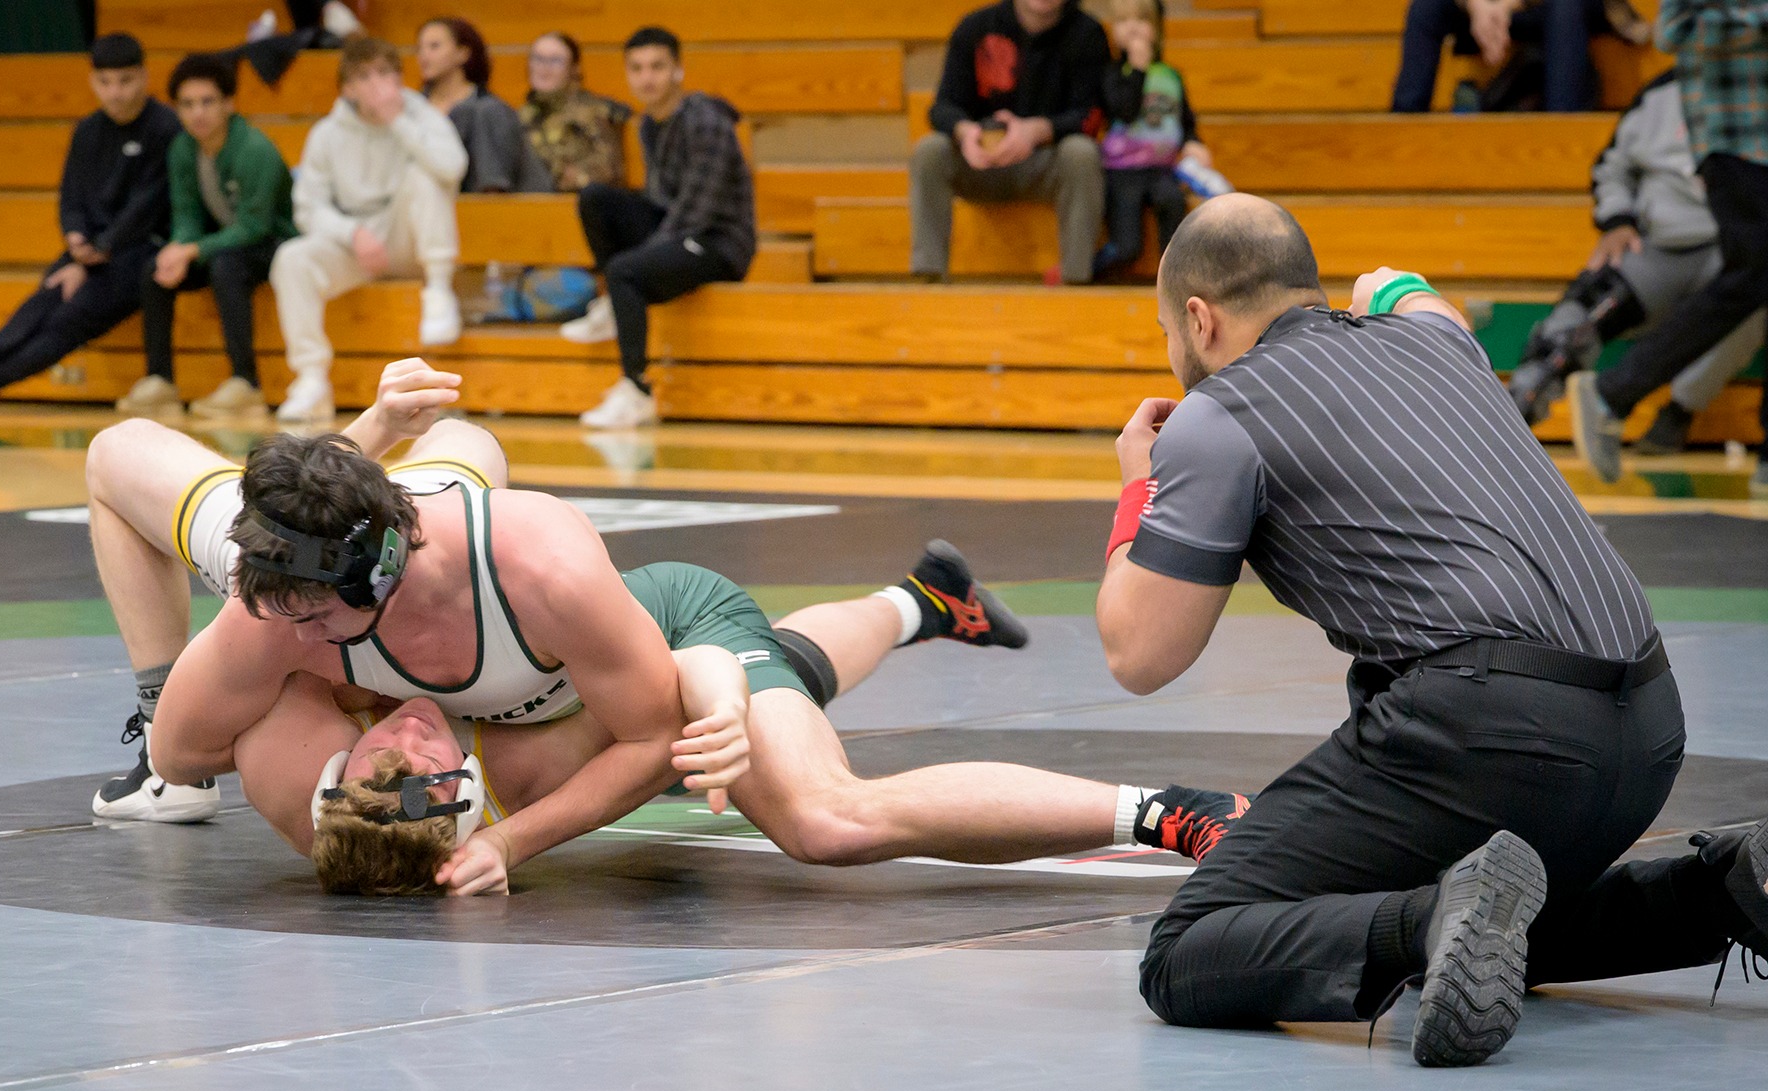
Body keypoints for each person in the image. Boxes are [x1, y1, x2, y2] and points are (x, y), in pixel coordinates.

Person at [79, 358, 1243, 893]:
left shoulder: (534, 558)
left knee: (818, 815)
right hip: (534, 669)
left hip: (662, 630)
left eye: (301, 612)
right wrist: (368, 433)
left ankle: (1169, 812)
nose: (276, 623)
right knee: (695, 706)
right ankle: (921, 600)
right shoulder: (282, 607)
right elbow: (185, 744)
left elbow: (666, 712)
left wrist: (513, 844)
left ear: (373, 576)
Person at [1094, 192, 1766, 1068]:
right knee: (1502, 923)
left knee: (1187, 950)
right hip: (1648, 723)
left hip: (1492, 730)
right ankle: (1725, 888)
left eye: (1167, 334)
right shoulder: (1437, 339)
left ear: (1198, 318)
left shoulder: (1221, 414)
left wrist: (1140, 487)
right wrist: (1388, 289)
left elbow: (1140, 652)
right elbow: (1405, 289)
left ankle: (1430, 918)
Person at [0, 34, 178, 417]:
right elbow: (71, 197)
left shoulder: (165, 128)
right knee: (44, 299)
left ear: (145, 77)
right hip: (88, 250)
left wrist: (96, 252)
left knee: (68, 317)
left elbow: (148, 204)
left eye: (125, 81)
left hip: (139, 254)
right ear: (92, 82)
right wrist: (76, 239)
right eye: (105, 82)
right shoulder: (87, 130)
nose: (115, 93)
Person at [1507, 70, 1764, 454]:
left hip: (1736, 246)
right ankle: (1514, 410)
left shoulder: (1753, 87)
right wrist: (1617, 220)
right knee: (1590, 305)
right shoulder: (1660, 92)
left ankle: (1678, 412)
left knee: (1754, 295)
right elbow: (1610, 167)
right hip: (1659, 240)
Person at [1570, 1, 1768, 492]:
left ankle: (1616, 393)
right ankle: (1614, 392)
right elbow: (1673, 29)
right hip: (1739, 142)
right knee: (1752, 278)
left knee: (1757, 280)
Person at [559, 27, 756, 430]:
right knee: (595, 198)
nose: (646, 78)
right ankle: (615, 307)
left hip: (718, 243)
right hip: (678, 230)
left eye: (657, 67)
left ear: (678, 70)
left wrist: (638, 261)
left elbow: (698, 211)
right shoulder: (649, 124)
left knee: (625, 271)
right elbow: (661, 203)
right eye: (637, 68)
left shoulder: (706, 122)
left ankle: (636, 390)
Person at [266, 36, 466, 427]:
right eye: (364, 76)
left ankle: (439, 290)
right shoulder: (327, 133)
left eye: (385, 73)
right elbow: (308, 208)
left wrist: (397, 121)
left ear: (399, 80)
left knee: (425, 177)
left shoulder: (420, 114)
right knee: (291, 258)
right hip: (358, 243)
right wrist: (351, 233)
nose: (377, 84)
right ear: (347, 89)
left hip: (410, 238)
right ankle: (311, 379)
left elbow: (452, 168)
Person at [117, 54, 296, 422]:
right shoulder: (183, 149)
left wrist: (194, 249)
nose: (197, 113)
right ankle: (160, 380)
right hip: (224, 245)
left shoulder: (255, 149)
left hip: (277, 245)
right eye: (187, 104)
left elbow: (255, 227)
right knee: (155, 268)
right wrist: (179, 247)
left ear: (229, 103)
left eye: (207, 102)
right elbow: (187, 215)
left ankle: (246, 384)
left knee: (226, 265)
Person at [910, 0, 1108, 285]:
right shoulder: (974, 27)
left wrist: (1035, 131)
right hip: (980, 161)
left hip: (1044, 163)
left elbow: (1089, 115)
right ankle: (929, 277)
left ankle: (1076, 279)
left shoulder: (1087, 34)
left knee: (1082, 153)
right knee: (930, 150)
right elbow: (942, 108)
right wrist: (967, 133)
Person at [1088, 0, 1217, 282]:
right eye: (1123, 21)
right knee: (1127, 247)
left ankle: (1173, 276)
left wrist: (1193, 142)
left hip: (1161, 170)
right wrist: (1138, 70)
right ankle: (1091, 266)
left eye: (1141, 20)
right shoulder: (1111, 74)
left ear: (1157, 30)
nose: (1133, 28)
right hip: (1122, 172)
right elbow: (1124, 111)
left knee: (1172, 202)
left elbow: (1184, 120)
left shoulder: (1171, 76)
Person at [1390, 0, 1648, 113]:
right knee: (1426, 7)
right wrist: (1476, 4)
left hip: (1563, 8)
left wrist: (1509, 4)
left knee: (1566, 6)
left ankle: (1563, 128)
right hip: (1491, 8)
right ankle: (1405, 120)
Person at [417, 17, 554, 193]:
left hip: (486, 205)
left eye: (434, 46)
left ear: (463, 53)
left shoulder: (490, 110)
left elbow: (493, 187)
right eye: (419, 48)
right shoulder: (412, 107)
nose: (424, 55)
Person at [521, 32, 632, 192]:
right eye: (538, 59)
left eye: (555, 60)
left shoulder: (595, 112)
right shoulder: (521, 116)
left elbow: (610, 172)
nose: (544, 67)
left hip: (577, 199)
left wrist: (569, 175)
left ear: (574, 68)